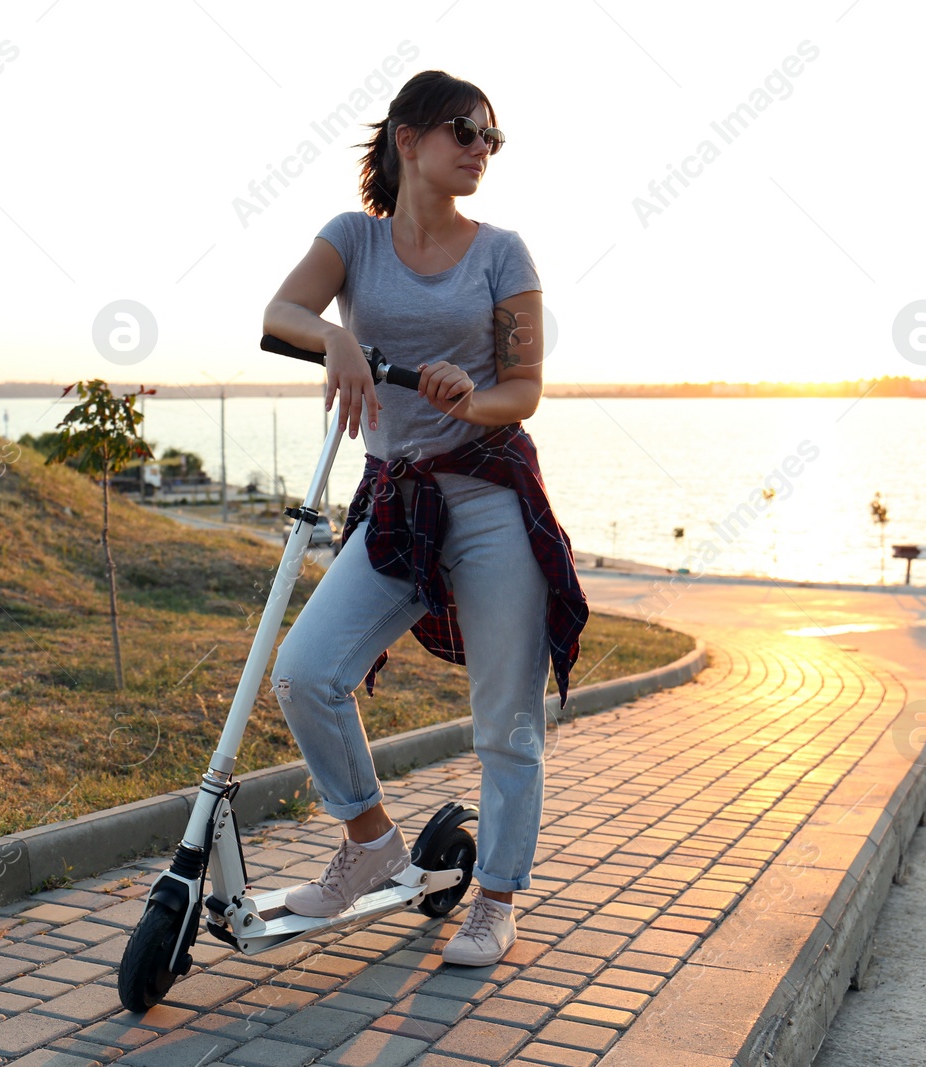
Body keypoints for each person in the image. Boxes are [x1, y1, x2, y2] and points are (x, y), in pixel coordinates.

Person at [261, 70, 589, 967]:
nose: (481, 149)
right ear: (408, 139)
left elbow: (524, 390)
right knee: (305, 671)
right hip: (398, 501)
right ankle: (371, 843)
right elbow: (280, 312)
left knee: (506, 719)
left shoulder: (503, 253)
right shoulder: (353, 241)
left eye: (492, 138)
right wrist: (334, 337)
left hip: (486, 495)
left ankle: (496, 899)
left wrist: (472, 395)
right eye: (464, 131)